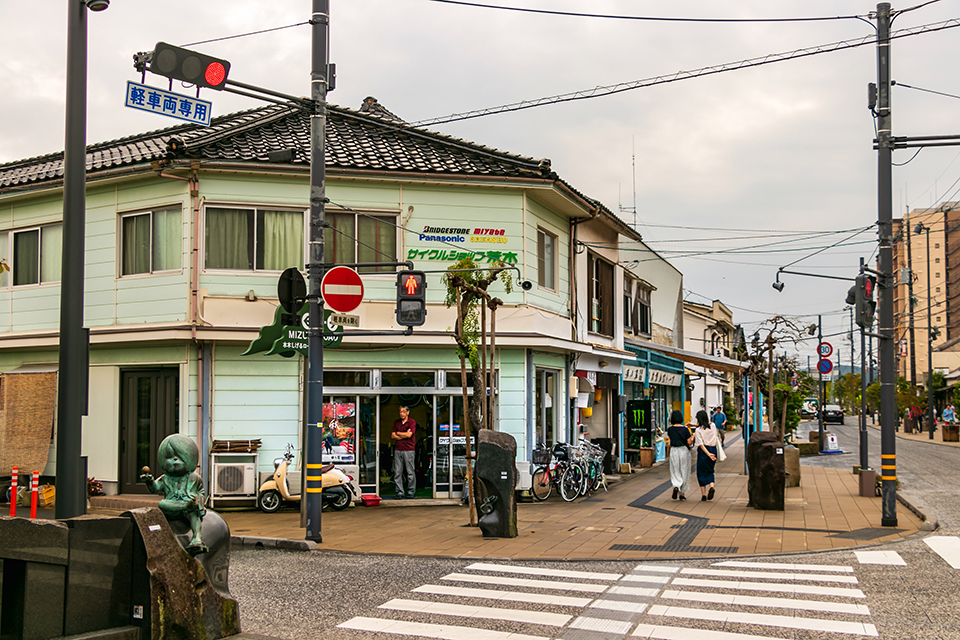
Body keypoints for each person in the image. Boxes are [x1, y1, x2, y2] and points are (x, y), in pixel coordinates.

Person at [666, 410, 694, 501]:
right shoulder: (685, 430)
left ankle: (676, 486)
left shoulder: (670, 429)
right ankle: (682, 493)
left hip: (674, 450)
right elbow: (689, 442)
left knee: (675, 470)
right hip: (683, 451)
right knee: (684, 471)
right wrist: (693, 436)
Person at [693, 409, 721, 501]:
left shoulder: (698, 430)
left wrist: (708, 454)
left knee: (701, 472)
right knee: (710, 470)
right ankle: (711, 486)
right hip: (713, 449)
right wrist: (711, 454)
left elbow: (700, 444)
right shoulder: (713, 426)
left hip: (703, 452)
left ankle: (704, 495)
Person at [391, 406, 417, 498]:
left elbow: (409, 435)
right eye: (400, 411)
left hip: (409, 450)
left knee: (410, 472)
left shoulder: (412, 422)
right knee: (397, 472)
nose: (401, 413)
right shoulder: (396, 422)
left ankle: (411, 491)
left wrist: (398, 433)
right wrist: (404, 434)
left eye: (403, 411)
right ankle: (400, 492)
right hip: (398, 449)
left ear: (408, 412)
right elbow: (393, 436)